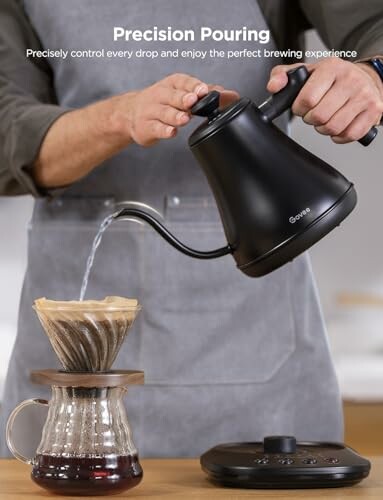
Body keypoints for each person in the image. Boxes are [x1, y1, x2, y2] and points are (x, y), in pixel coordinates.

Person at [0, 0, 382, 458]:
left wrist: (372, 74)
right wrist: (119, 117)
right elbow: (7, 135)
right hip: (72, 368)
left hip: (258, 365)